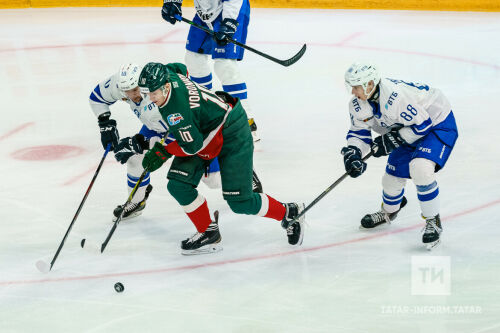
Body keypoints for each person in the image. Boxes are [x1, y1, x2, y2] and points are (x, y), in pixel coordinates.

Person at [137, 62, 305, 255]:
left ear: (166, 86)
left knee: (241, 202)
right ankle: (208, 233)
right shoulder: (168, 74)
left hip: (231, 132)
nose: (150, 98)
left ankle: (290, 212)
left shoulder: (177, 113)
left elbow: (193, 146)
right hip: (206, 128)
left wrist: (162, 152)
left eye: (153, 93)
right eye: (147, 93)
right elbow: (181, 68)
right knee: (178, 184)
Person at [341, 62, 458, 249]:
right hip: (407, 127)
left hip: (437, 123)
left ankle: (433, 221)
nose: (353, 92)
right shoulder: (357, 104)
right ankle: (388, 212)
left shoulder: (395, 97)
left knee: (420, 168)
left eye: (356, 87)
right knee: (391, 180)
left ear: (369, 84)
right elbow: (359, 133)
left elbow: (423, 125)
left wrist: (392, 140)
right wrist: (354, 153)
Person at [89, 63, 221, 222]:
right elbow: (96, 97)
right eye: (127, 92)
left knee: (212, 180)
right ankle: (137, 201)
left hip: (190, 129)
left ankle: (244, 173)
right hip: (156, 125)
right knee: (135, 159)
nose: (132, 95)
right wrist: (105, 123)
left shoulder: (157, 100)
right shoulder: (120, 84)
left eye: (135, 89)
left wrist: (141, 143)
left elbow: (177, 137)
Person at [161, 0, 260, 142]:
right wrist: (173, 2)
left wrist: (230, 22)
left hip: (232, 9)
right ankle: (204, 109)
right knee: (193, 59)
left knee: (225, 64)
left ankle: (246, 119)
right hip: (205, 12)